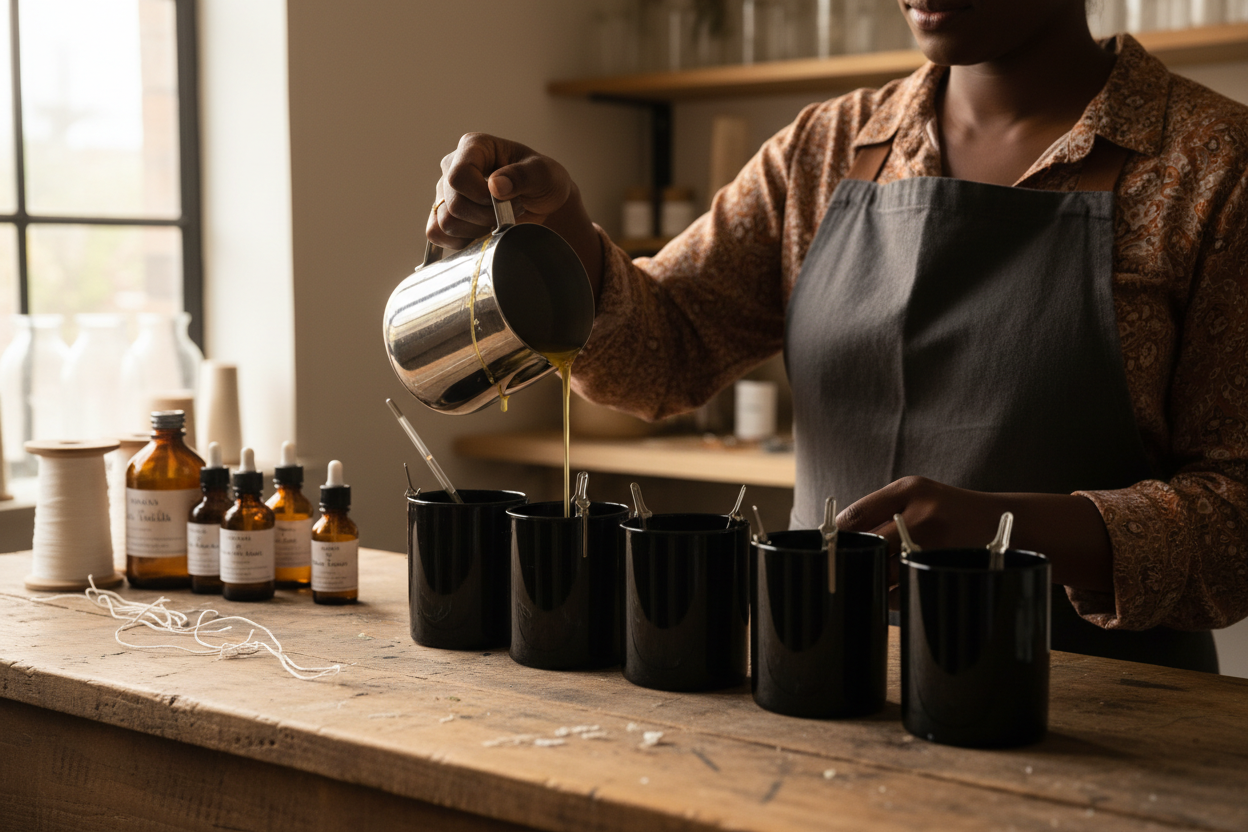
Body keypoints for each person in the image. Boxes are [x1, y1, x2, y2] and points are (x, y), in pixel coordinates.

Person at [427, 0, 1248, 672]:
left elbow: (1238, 515)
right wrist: (564, 226)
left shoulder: (1214, 167)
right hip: (822, 682)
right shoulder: (828, 148)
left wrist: (1011, 532)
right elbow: (665, 353)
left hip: (1108, 721)